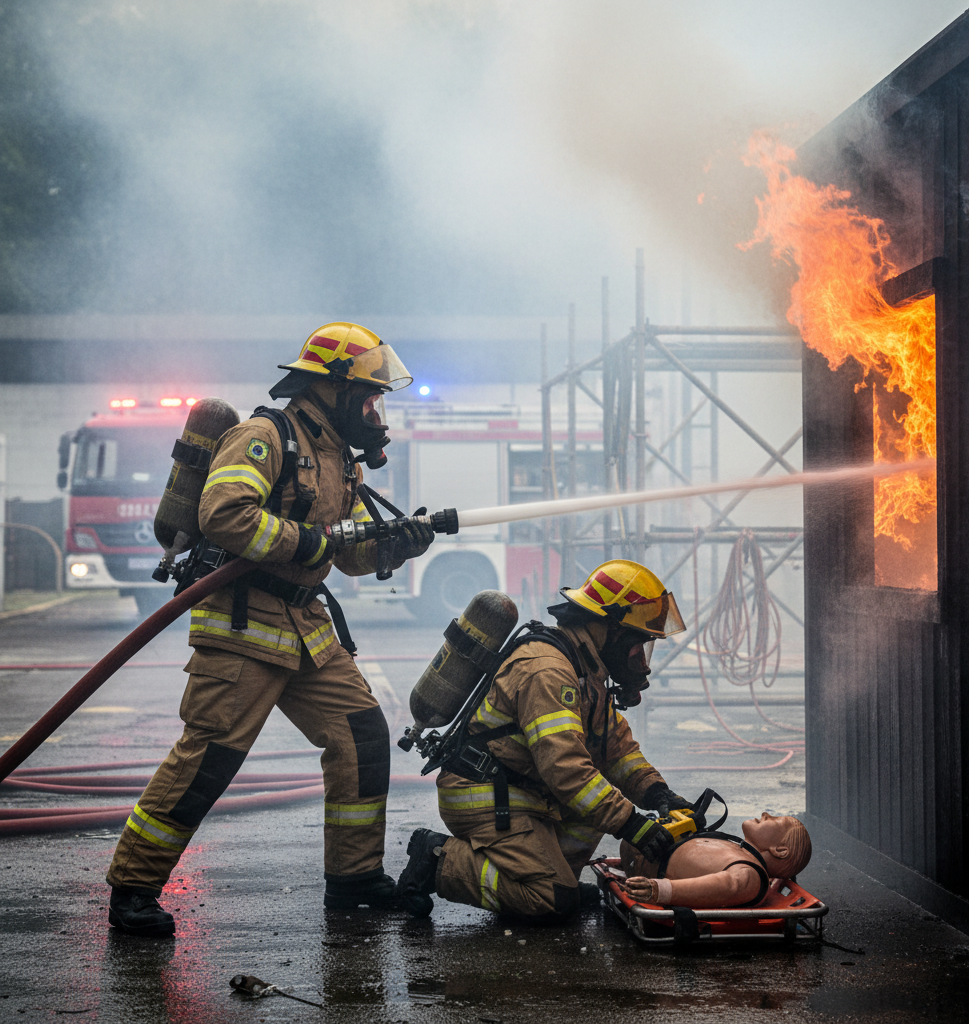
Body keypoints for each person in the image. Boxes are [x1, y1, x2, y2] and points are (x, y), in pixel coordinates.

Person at [105, 322, 435, 937]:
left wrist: (400, 544)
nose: (375, 409)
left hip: (307, 629)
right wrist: (304, 542)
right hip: (242, 627)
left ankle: (355, 880)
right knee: (209, 757)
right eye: (368, 395)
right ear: (331, 388)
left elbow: (355, 552)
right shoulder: (264, 437)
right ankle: (133, 888)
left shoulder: (339, 460)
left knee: (361, 736)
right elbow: (224, 514)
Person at [397, 559, 692, 920]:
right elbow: (567, 772)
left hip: (523, 789)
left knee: (591, 818)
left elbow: (616, 752)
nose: (640, 662)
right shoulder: (549, 671)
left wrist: (659, 794)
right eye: (637, 645)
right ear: (608, 628)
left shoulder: (587, 670)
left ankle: (544, 875)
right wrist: (631, 824)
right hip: (486, 793)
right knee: (552, 898)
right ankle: (439, 860)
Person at [620, 812, 812, 908]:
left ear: (780, 850)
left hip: (650, 865)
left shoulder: (751, 876)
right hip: (649, 850)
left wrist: (659, 890)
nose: (766, 814)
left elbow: (725, 886)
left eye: (776, 819)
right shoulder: (743, 854)